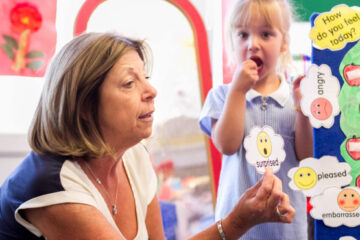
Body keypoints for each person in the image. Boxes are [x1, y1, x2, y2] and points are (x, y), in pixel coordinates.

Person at [0, 32, 295, 240]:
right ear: (84, 107)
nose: (151, 91)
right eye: (129, 82)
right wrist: (237, 221)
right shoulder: (54, 188)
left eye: (146, 77)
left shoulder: (133, 155)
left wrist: (238, 221)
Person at [199, 0, 313, 239]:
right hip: (238, 229)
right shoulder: (221, 96)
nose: (253, 44)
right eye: (242, 34)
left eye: (265, 34)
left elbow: (307, 156)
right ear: (232, 41)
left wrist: (303, 110)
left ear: (284, 43)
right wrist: (238, 92)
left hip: (288, 230)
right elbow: (226, 145)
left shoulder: (295, 96)